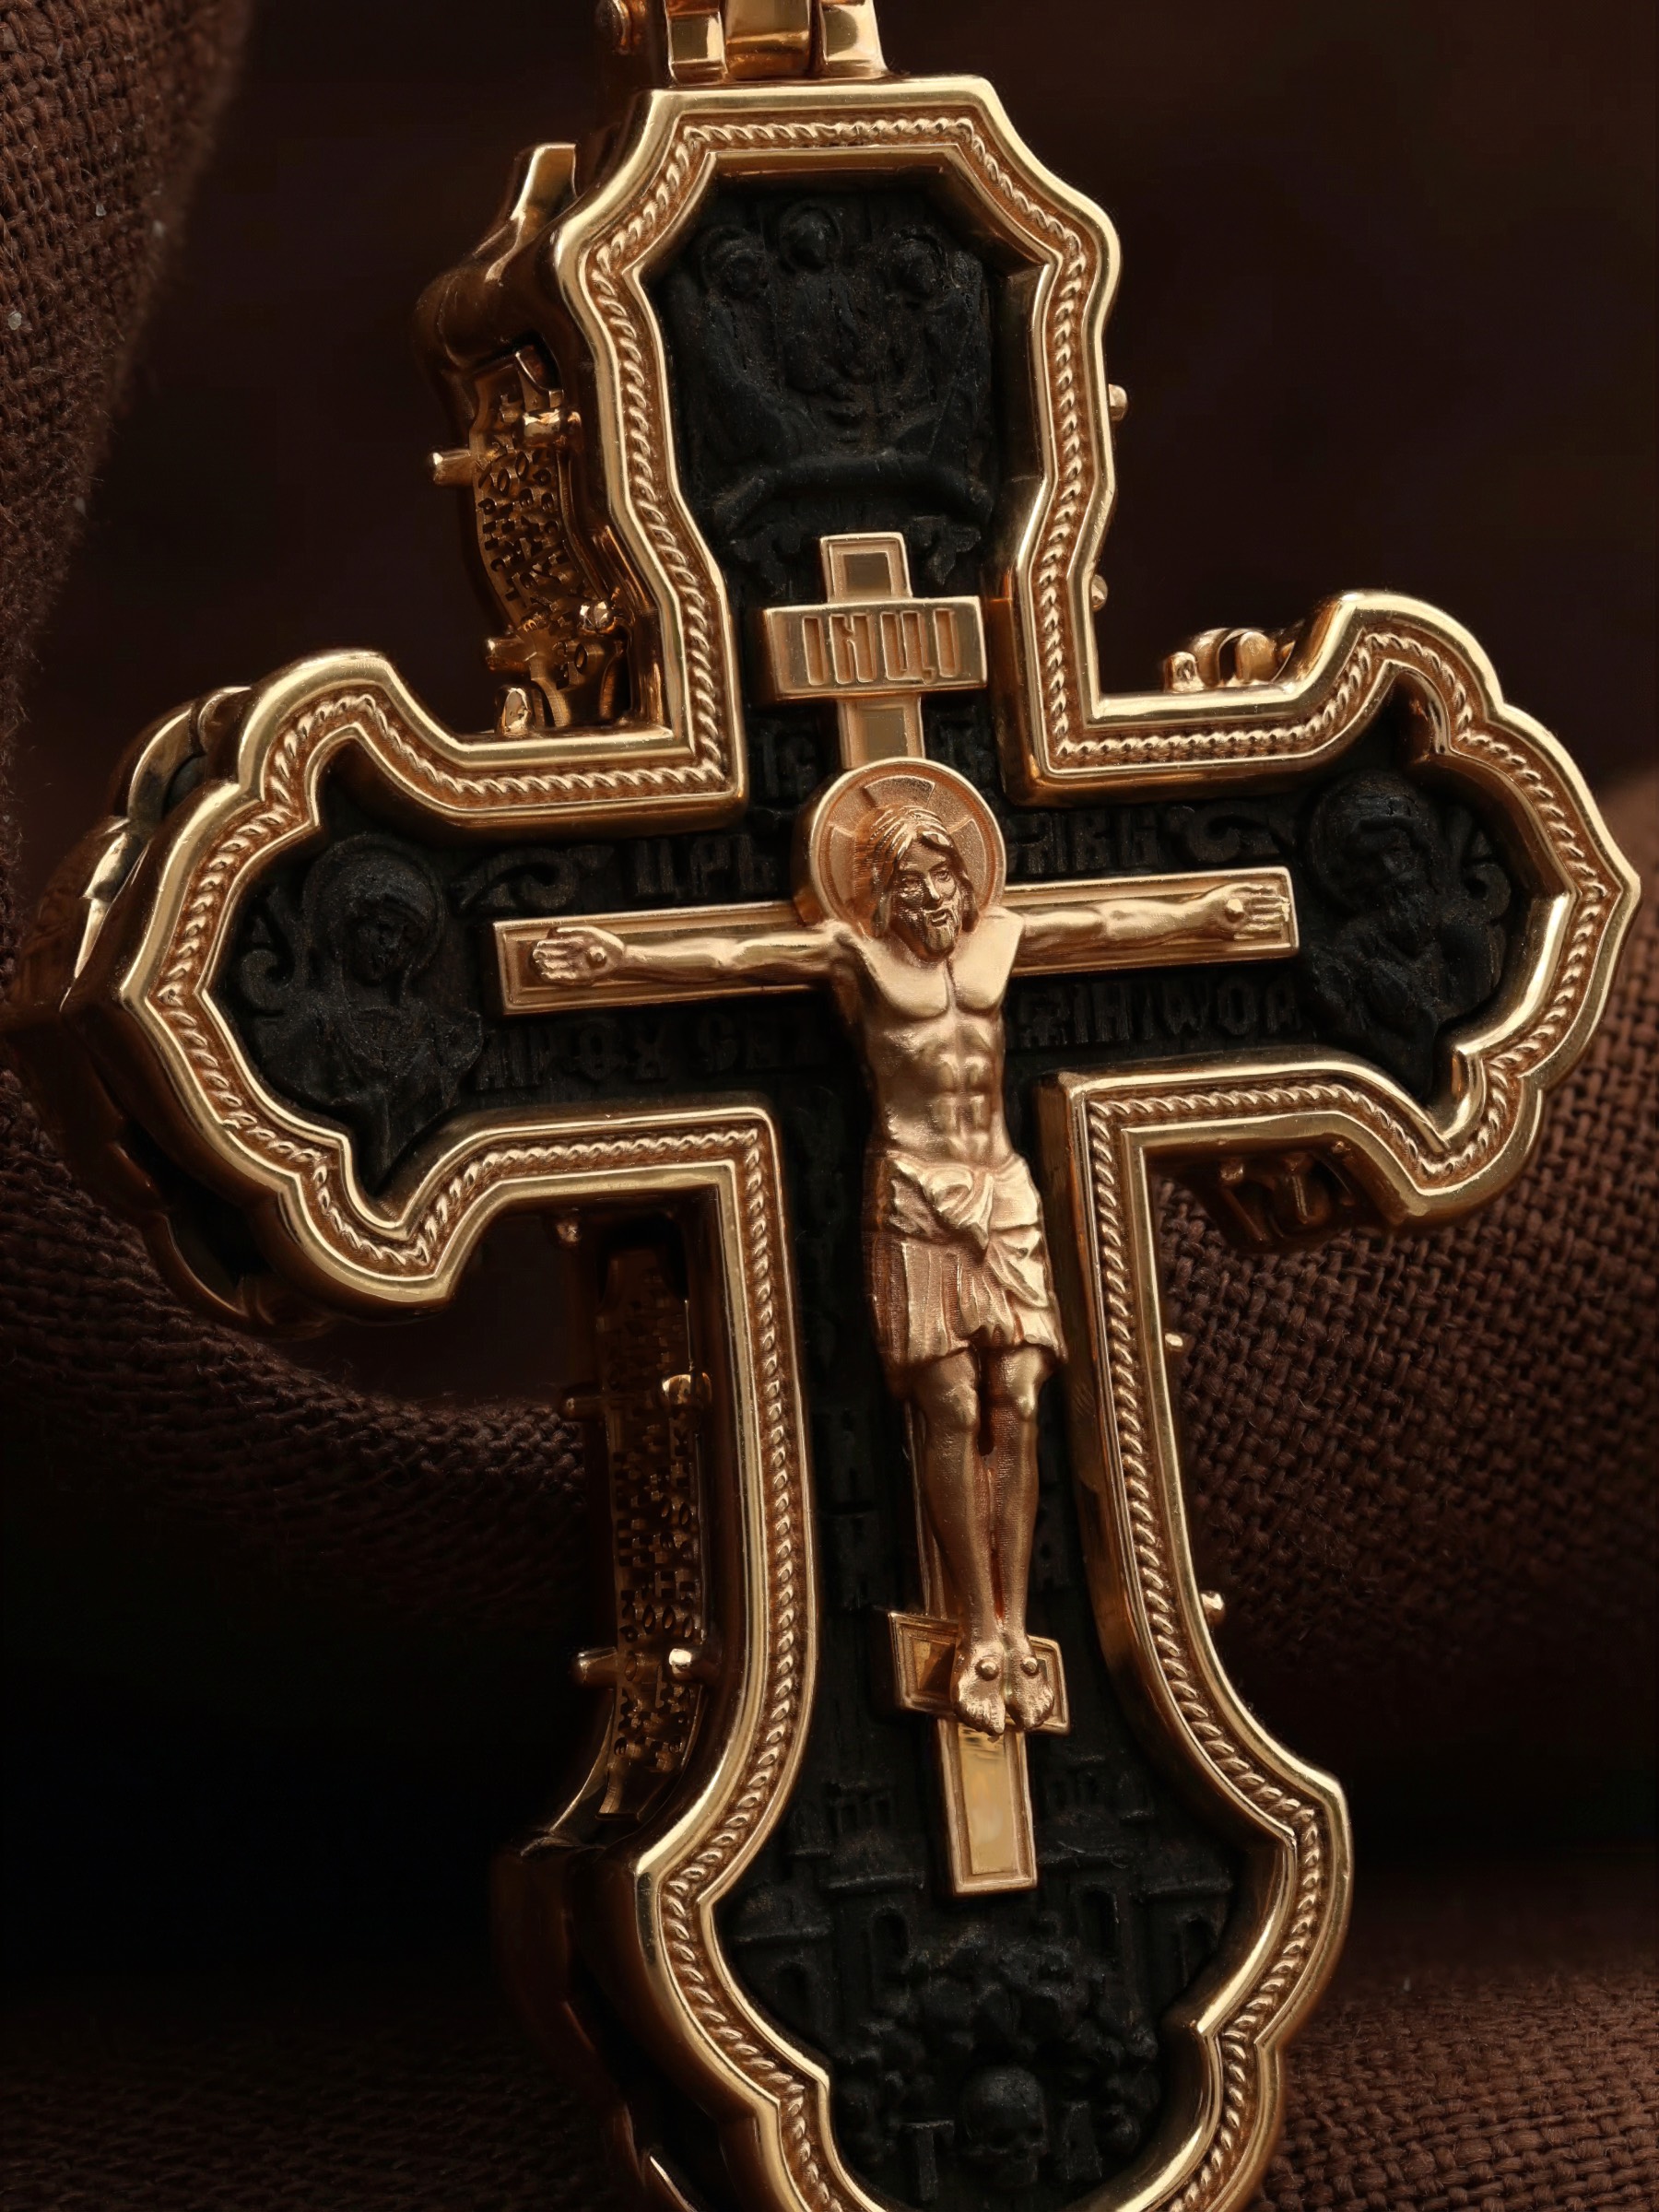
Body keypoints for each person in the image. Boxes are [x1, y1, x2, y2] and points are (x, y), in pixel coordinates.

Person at [533, 786, 1283, 1733]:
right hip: (918, 1195)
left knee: (1020, 1398)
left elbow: (1105, 923)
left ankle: (1011, 1620)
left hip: (1003, 1193)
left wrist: (1206, 912)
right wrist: (618, 955)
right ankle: (977, 1625)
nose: (935, 896)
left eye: (946, 875)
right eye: (914, 880)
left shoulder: (999, 939)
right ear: (883, 892)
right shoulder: (859, 959)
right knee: (952, 1404)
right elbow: (735, 954)